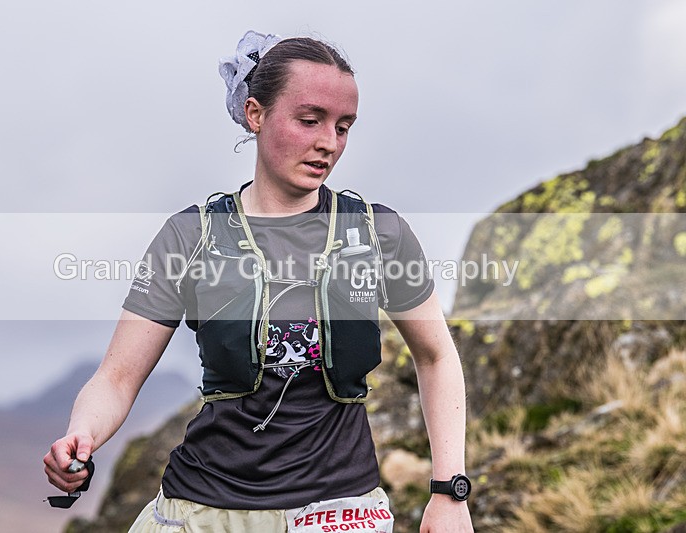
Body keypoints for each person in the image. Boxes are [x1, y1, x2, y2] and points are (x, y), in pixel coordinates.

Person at [44, 30, 474, 533]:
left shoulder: (379, 234)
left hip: (340, 514)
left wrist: (450, 493)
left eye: (343, 126)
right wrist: (81, 435)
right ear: (256, 114)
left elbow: (437, 356)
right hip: (200, 513)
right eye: (310, 121)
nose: (328, 143)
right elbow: (117, 377)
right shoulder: (191, 236)